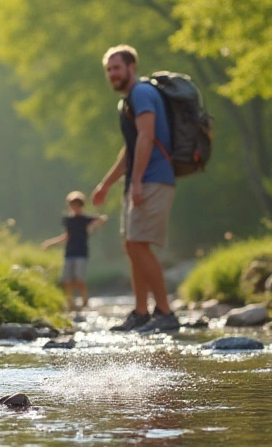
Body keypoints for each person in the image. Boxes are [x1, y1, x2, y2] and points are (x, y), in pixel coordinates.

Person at [91, 44, 180, 333]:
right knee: (132, 245)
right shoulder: (129, 100)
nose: (112, 74)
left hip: (153, 178)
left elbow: (146, 137)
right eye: (108, 70)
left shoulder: (142, 93)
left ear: (131, 67)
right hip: (140, 179)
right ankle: (141, 312)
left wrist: (139, 180)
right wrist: (107, 184)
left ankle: (165, 313)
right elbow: (130, 150)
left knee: (139, 244)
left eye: (116, 67)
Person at [41, 190, 108, 311]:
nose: (75, 207)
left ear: (82, 205)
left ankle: (85, 300)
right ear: (69, 206)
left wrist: (91, 226)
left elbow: (102, 219)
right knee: (67, 280)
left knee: (79, 280)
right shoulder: (68, 220)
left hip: (81, 253)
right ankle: (70, 302)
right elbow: (66, 236)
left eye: (78, 205)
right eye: (73, 205)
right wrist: (50, 243)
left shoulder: (86, 218)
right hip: (69, 253)